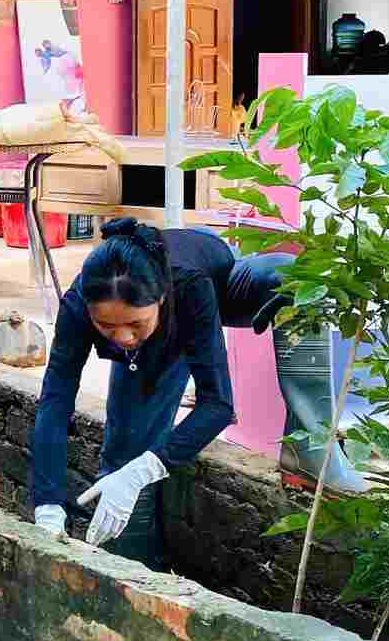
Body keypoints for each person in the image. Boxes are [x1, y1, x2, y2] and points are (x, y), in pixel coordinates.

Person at [28, 221, 235, 569]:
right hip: (157, 313)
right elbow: (55, 399)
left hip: (220, 273)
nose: (122, 337)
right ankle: (135, 559)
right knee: (125, 444)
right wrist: (47, 503)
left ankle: (142, 565)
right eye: (106, 327)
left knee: (137, 453)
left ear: (160, 298)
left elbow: (218, 404)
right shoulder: (77, 305)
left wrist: (147, 467)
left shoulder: (190, 289)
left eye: (134, 324)